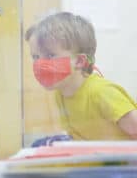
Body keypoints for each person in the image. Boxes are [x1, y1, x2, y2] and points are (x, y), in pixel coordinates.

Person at [25, 11, 137, 140]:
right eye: (35, 57)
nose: (40, 64)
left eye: (50, 55)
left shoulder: (101, 93)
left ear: (80, 61)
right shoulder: (60, 93)